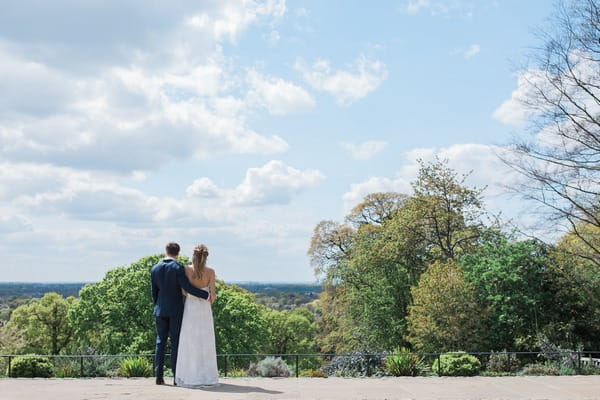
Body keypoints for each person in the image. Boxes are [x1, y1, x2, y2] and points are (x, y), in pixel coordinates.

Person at [150, 242, 210, 385]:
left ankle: (159, 376)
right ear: (178, 252)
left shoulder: (155, 268)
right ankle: (176, 377)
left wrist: (158, 306)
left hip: (160, 310)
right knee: (176, 342)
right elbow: (187, 287)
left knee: (160, 342)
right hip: (175, 310)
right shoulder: (178, 268)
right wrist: (205, 295)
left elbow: (154, 293)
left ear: (166, 251)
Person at [175, 244, 219, 387]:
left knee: (190, 342)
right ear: (206, 257)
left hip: (190, 308)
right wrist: (206, 298)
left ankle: (190, 376)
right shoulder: (211, 272)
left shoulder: (186, 269)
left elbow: (183, 291)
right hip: (204, 310)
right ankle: (206, 377)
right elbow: (212, 297)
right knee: (205, 343)